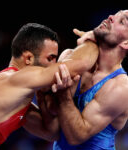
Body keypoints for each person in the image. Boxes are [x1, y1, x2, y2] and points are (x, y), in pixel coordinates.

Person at [0, 23, 98, 150]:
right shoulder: (14, 79)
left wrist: (41, 96)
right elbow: (82, 63)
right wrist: (92, 39)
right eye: (50, 58)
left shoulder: (17, 101)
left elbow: (52, 133)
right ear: (29, 58)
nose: (54, 65)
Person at [46, 10, 128, 150]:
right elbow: (52, 118)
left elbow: (76, 136)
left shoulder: (121, 86)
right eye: (116, 14)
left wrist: (64, 94)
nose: (111, 17)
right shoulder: (70, 55)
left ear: (126, 43)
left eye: (122, 21)